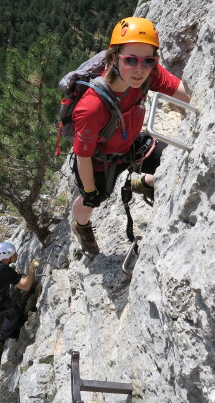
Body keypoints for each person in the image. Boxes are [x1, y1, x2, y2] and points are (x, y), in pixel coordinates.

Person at [70, 16, 191, 254]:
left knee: (173, 165)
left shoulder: (149, 73)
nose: (139, 69)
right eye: (130, 60)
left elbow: (185, 93)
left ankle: (143, 183)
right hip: (98, 161)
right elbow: (83, 156)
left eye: (148, 61)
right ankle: (81, 226)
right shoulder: (92, 107)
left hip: (132, 143)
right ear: (115, 57)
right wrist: (90, 190)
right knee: (91, 201)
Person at [0, 241, 40, 339]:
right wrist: (32, 268)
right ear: (6, 260)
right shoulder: (5, 272)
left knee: (1, 291)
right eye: (14, 254)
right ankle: (5, 333)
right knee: (14, 311)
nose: (17, 255)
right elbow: (26, 286)